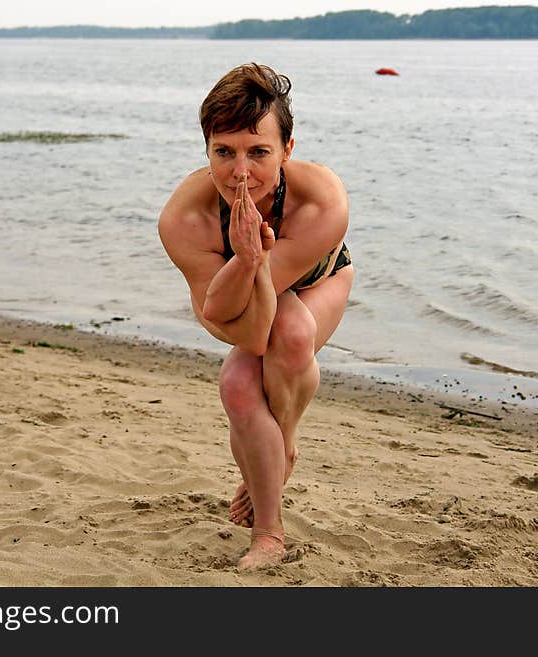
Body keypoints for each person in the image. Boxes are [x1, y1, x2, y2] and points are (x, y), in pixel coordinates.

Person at [158, 63, 353, 569]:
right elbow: (232, 323)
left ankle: (282, 445)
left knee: (291, 333)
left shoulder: (321, 199)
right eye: (224, 152)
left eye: (259, 152)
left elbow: (269, 330)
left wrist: (258, 262)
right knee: (239, 386)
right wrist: (246, 258)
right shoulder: (185, 218)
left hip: (319, 284)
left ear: (288, 149)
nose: (240, 172)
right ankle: (269, 535)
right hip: (245, 298)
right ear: (206, 149)